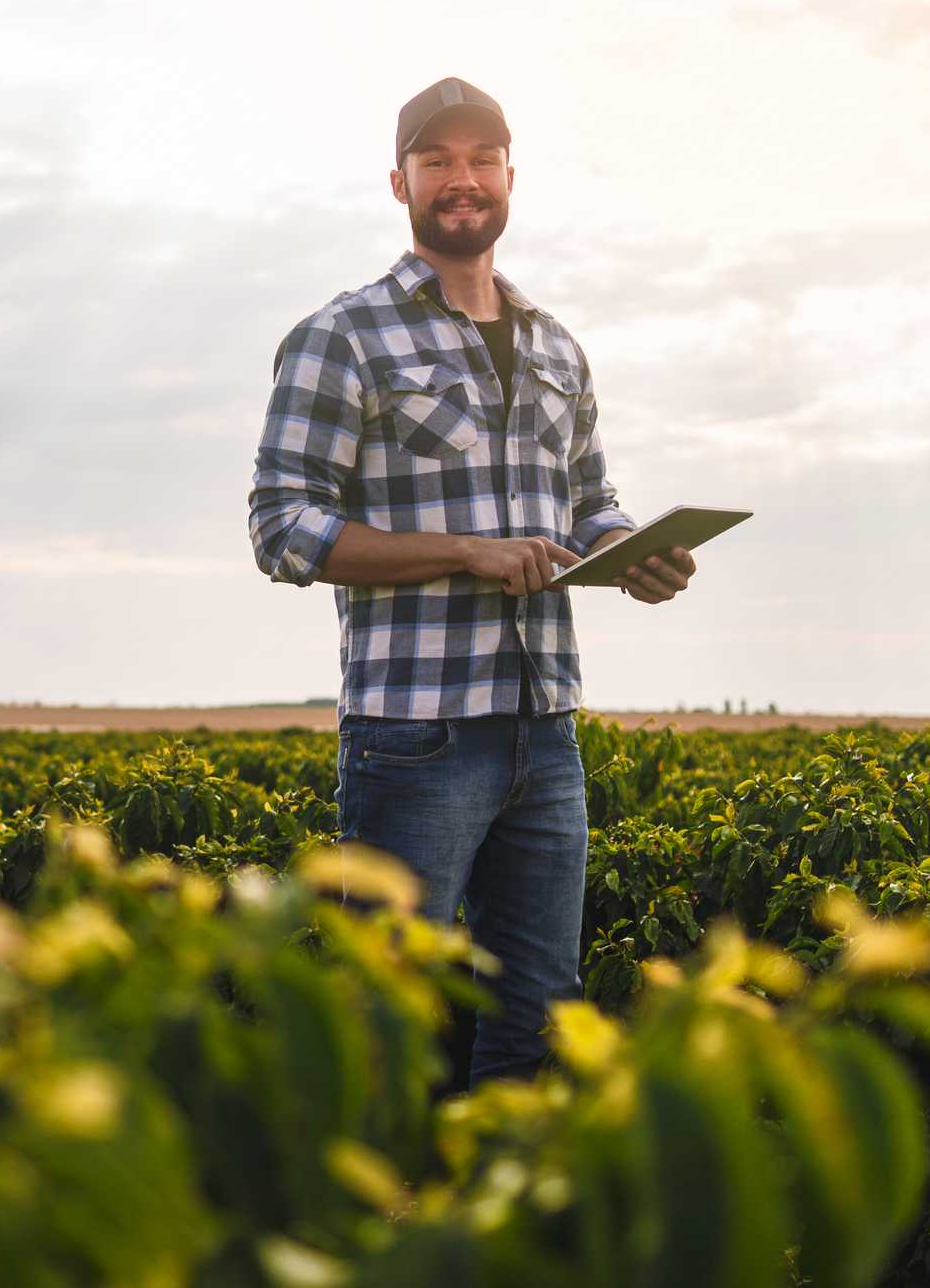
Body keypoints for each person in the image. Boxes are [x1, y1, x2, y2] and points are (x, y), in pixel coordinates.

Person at [245, 75, 697, 1088]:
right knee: (386, 1018)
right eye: (438, 159)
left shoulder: (555, 346)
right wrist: (464, 549)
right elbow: (282, 529)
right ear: (399, 181)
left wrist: (635, 552)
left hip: (547, 728)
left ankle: (495, 1237)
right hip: (416, 736)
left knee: (538, 1019)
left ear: (509, 178)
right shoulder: (343, 337)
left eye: (481, 159)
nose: (462, 179)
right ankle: (364, 1233)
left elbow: (588, 501)